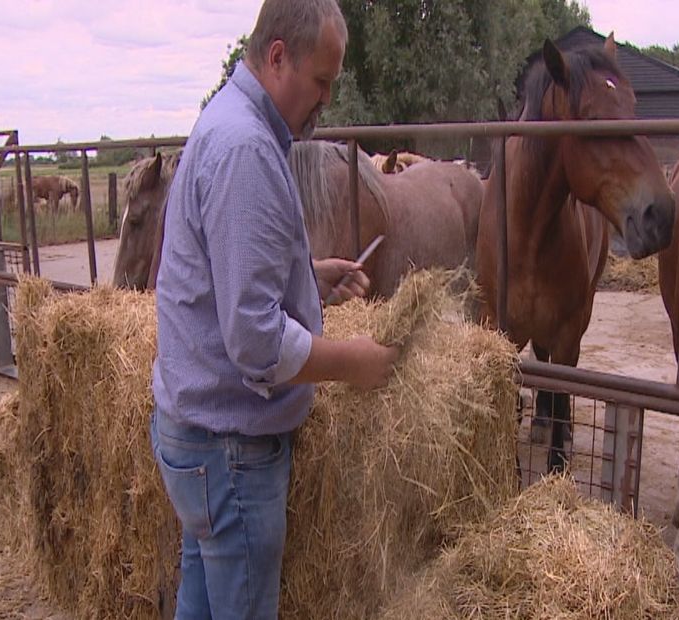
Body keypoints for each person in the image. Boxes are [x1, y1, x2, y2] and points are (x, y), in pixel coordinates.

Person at [149, 1, 399, 618]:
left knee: (203, 606)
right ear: (279, 56)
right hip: (230, 449)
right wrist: (354, 363)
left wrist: (307, 279)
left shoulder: (232, 124)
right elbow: (255, 341)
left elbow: (223, 274)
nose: (326, 100)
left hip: (197, 436)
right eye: (321, 81)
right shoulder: (246, 150)